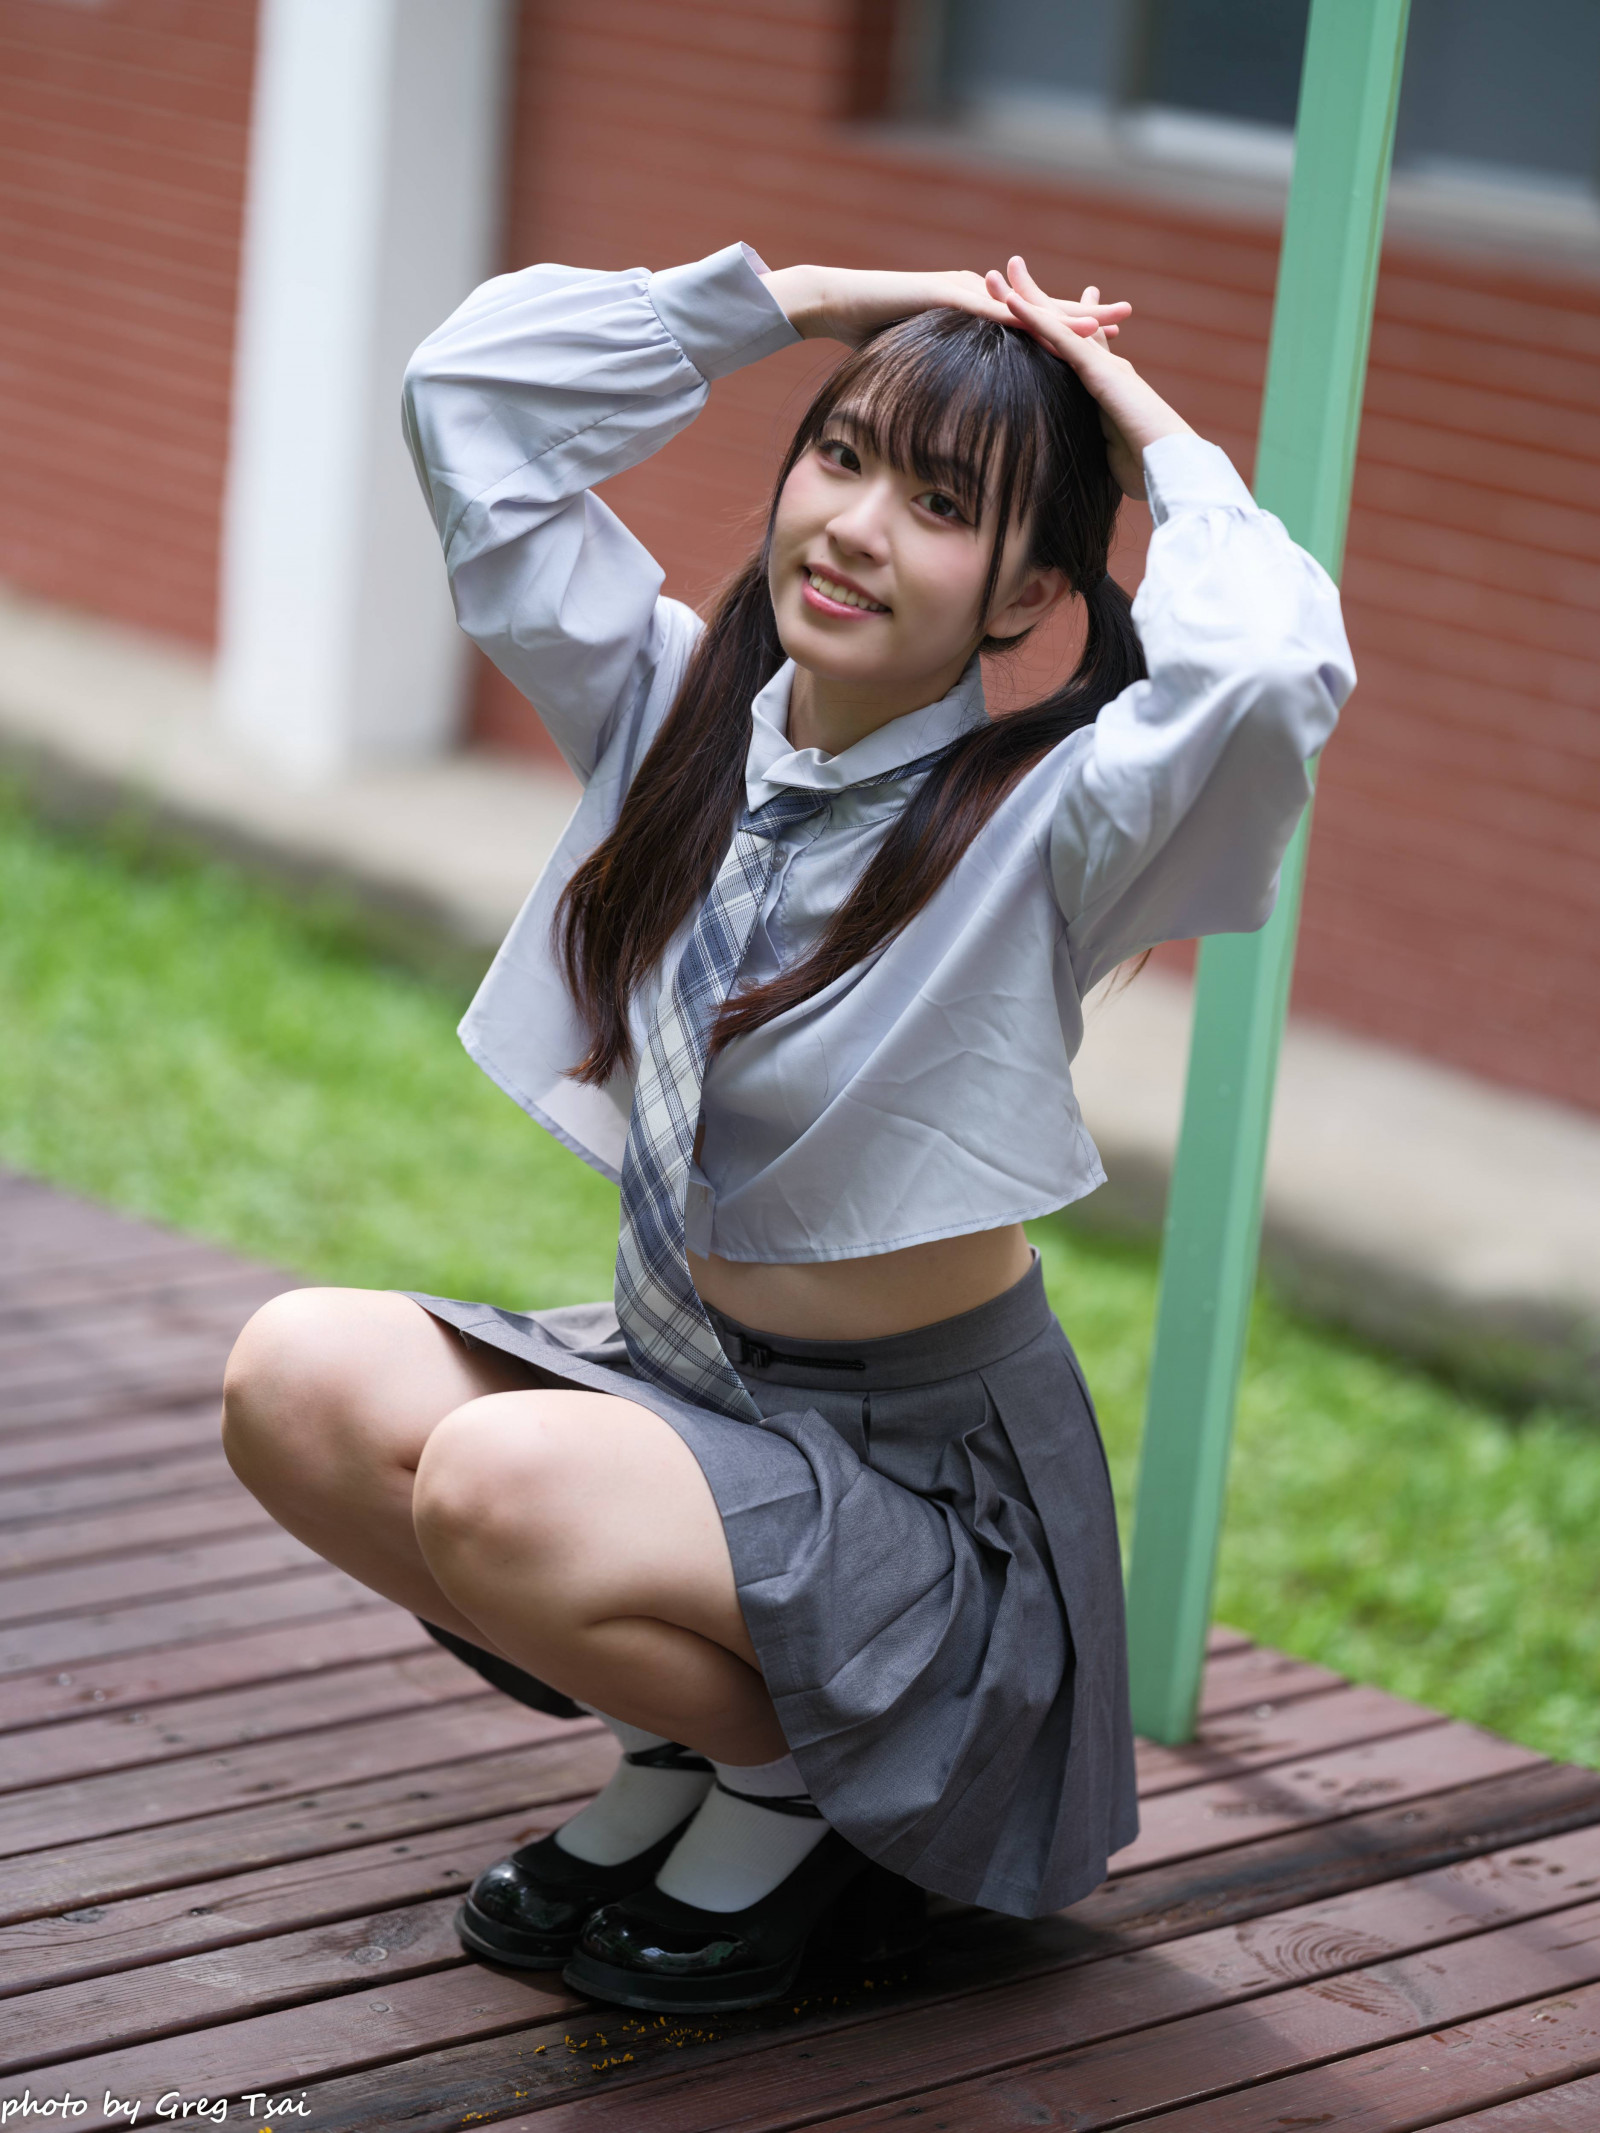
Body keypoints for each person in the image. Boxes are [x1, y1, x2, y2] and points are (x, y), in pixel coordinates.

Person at [221, 242, 1353, 2015]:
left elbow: (1275, 671)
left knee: (500, 1485)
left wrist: (1129, 423)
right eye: (838, 456)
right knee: (293, 1379)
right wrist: (815, 300)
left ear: (1024, 591)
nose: (854, 527)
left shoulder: (1051, 826)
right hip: (692, 1404)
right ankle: (680, 1755)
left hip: (922, 1500)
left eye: (940, 503)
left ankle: (800, 1796)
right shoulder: (670, 711)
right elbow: (473, 404)